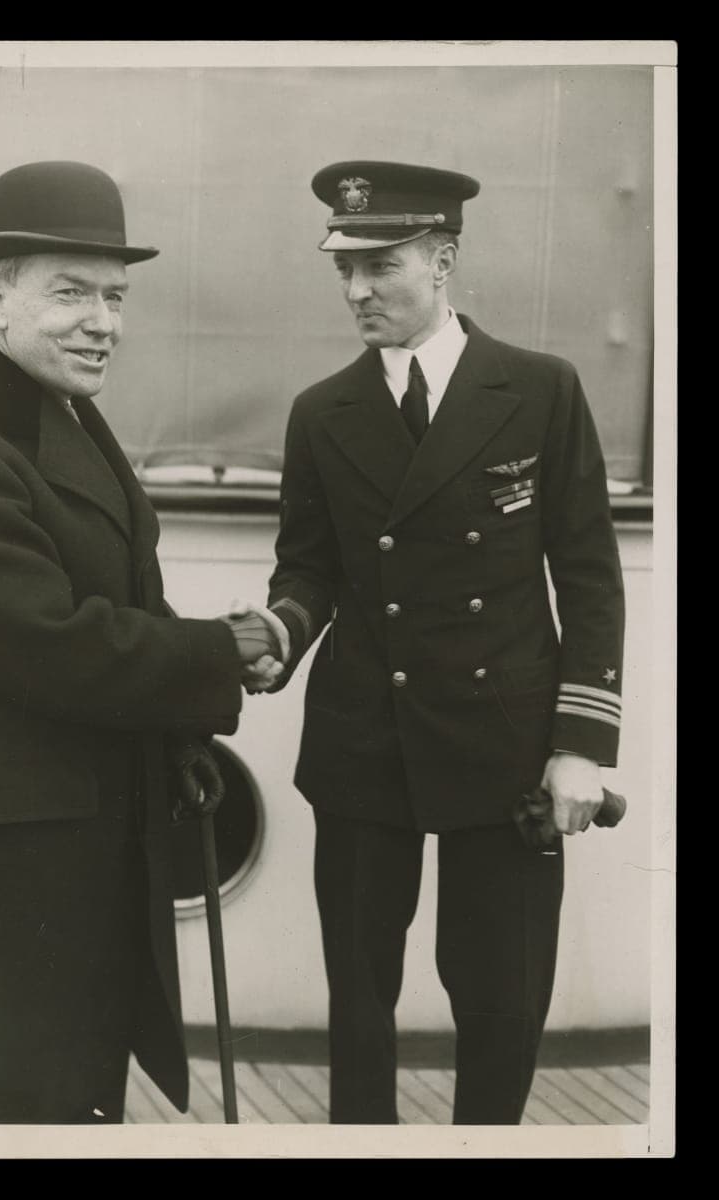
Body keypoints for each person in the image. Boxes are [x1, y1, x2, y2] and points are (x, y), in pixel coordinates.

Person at [0, 160, 282, 1124]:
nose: (104, 321)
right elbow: (56, 645)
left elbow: (111, 603)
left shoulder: (54, 412)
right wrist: (224, 652)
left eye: (116, 296)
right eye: (71, 293)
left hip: (68, 872)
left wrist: (189, 697)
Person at [247, 161, 625, 1124]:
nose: (357, 291)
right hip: (364, 734)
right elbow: (311, 570)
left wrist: (581, 746)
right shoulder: (321, 412)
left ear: (445, 259)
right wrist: (279, 632)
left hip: (504, 739)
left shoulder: (538, 390)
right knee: (360, 1000)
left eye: (382, 265)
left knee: (501, 993)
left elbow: (586, 576)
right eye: (344, 268)